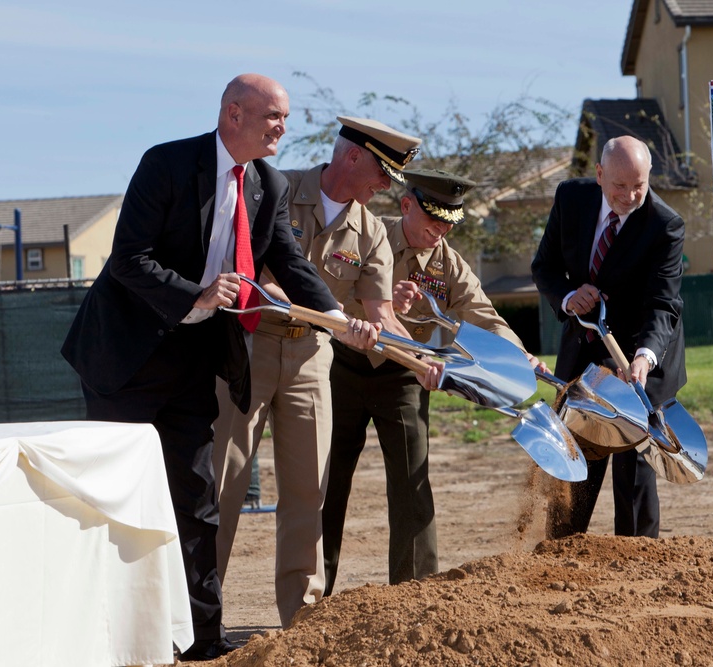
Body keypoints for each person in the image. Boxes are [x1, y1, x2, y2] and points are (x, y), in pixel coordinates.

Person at [60, 74, 377, 662]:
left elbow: (287, 259)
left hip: (195, 360)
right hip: (124, 358)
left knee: (198, 498)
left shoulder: (269, 183)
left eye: (285, 117)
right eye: (273, 116)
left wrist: (337, 317)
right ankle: (104, 634)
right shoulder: (167, 164)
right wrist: (199, 295)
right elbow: (129, 259)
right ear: (234, 114)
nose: (283, 126)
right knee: (113, 497)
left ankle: (201, 642)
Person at [212, 116, 421, 628]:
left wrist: (420, 358)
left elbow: (380, 313)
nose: (384, 187)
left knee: (310, 489)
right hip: (252, 347)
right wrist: (331, 314)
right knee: (225, 482)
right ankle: (198, 611)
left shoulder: (371, 231)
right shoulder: (274, 189)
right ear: (353, 157)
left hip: (311, 360)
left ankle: (300, 621)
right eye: (381, 173)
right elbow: (257, 275)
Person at [322, 168, 545, 594]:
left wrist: (518, 355)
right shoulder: (368, 234)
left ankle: (414, 591)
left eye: (449, 223)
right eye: (434, 220)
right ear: (406, 205)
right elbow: (328, 290)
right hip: (343, 367)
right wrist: (380, 299)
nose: (440, 232)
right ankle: (312, 593)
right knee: (329, 480)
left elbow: (484, 316)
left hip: (405, 375)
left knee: (412, 482)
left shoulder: (448, 265)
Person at [530, 134, 686, 539]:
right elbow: (544, 267)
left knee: (634, 466)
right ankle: (560, 553)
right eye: (620, 185)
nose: (631, 195)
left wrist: (643, 357)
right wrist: (568, 296)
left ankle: (637, 560)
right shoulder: (570, 198)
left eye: (640, 184)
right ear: (599, 175)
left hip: (641, 354)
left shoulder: (665, 225)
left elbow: (662, 305)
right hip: (584, 349)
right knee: (574, 456)